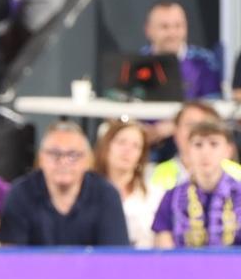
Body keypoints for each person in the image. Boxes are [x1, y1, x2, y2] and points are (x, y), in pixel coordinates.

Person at [0, 121, 129, 246]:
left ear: (87, 160)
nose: (63, 162)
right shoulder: (20, 193)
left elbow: (115, 259)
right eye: (54, 154)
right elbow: (11, 259)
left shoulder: (107, 195)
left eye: (73, 155)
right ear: (41, 158)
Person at [152, 119, 241, 249]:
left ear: (228, 151)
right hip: (184, 268)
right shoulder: (172, 197)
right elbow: (164, 249)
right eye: (198, 145)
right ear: (188, 150)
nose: (205, 152)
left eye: (214, 144)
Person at [93, 118, 159, 248]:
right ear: (106, 147)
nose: (127, 150)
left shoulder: (155, 196)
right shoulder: (87, 192)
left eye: (136, 146)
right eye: (121, 142)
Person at [149, 102, 241, 192]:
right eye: (190, 124)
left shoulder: (237, 174)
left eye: (203, 125)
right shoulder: (156, 175)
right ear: (175, 131)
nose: (196, 131)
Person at [141, 2, 223, 100]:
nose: (172, 33)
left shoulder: (205, 62)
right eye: (164, 27)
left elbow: (212, 108)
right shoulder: (137, 63)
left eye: (178, 26)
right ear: (148, 30)